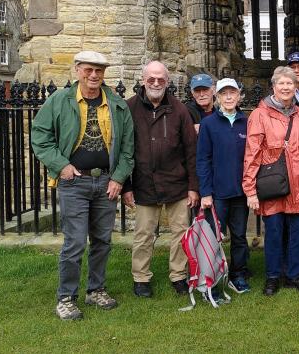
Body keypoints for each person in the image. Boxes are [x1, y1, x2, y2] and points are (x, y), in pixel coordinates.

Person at [31, 50, 134, 321]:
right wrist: (61, 166)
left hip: (106, 183)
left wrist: (118, 178)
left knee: (102, 241)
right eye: (88, 70)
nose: (93, 75)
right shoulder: (59, 100)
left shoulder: (117, 104)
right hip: (74, 182)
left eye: (99, 71)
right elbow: (40, 136)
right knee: (75, 242)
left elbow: (127, 149)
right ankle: (66, 297)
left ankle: (96, 289)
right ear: (77, 70)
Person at [122, 61, 199, 299]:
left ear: (167, 82)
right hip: (144, 182)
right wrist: (126, 186)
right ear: (143, 80)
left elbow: (191, 150)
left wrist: (193, 187)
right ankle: (141, 277)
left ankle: (178, 276)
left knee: (180, 233)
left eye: (161, 79)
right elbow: (123, 150)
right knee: (144, 234)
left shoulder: (179, 110)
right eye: (151, 79)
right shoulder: (129, 108)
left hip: (176, 181)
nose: (156, 83)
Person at [243, 66, 299, 296]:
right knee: (274, 232)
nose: (286, 88)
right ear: (273, 86)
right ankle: (273, 276)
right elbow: (252, 153)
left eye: (290, 84)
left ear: (296, 87)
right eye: (281, 84)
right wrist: (250, 189)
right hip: (273, 183)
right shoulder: (259, 115)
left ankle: (295, 275)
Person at [196, 78, 252, 294]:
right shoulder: (209, 124)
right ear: (217, 97)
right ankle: (213, 279)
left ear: (239, 96)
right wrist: (206, 192)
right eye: (224, 94)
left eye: (232, 93)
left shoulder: (246, 122)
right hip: (217, 193)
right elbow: (203, 159)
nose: (228, 97)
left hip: (240, 193)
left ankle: (238, 275)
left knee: (239, 236)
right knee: (214, 238)